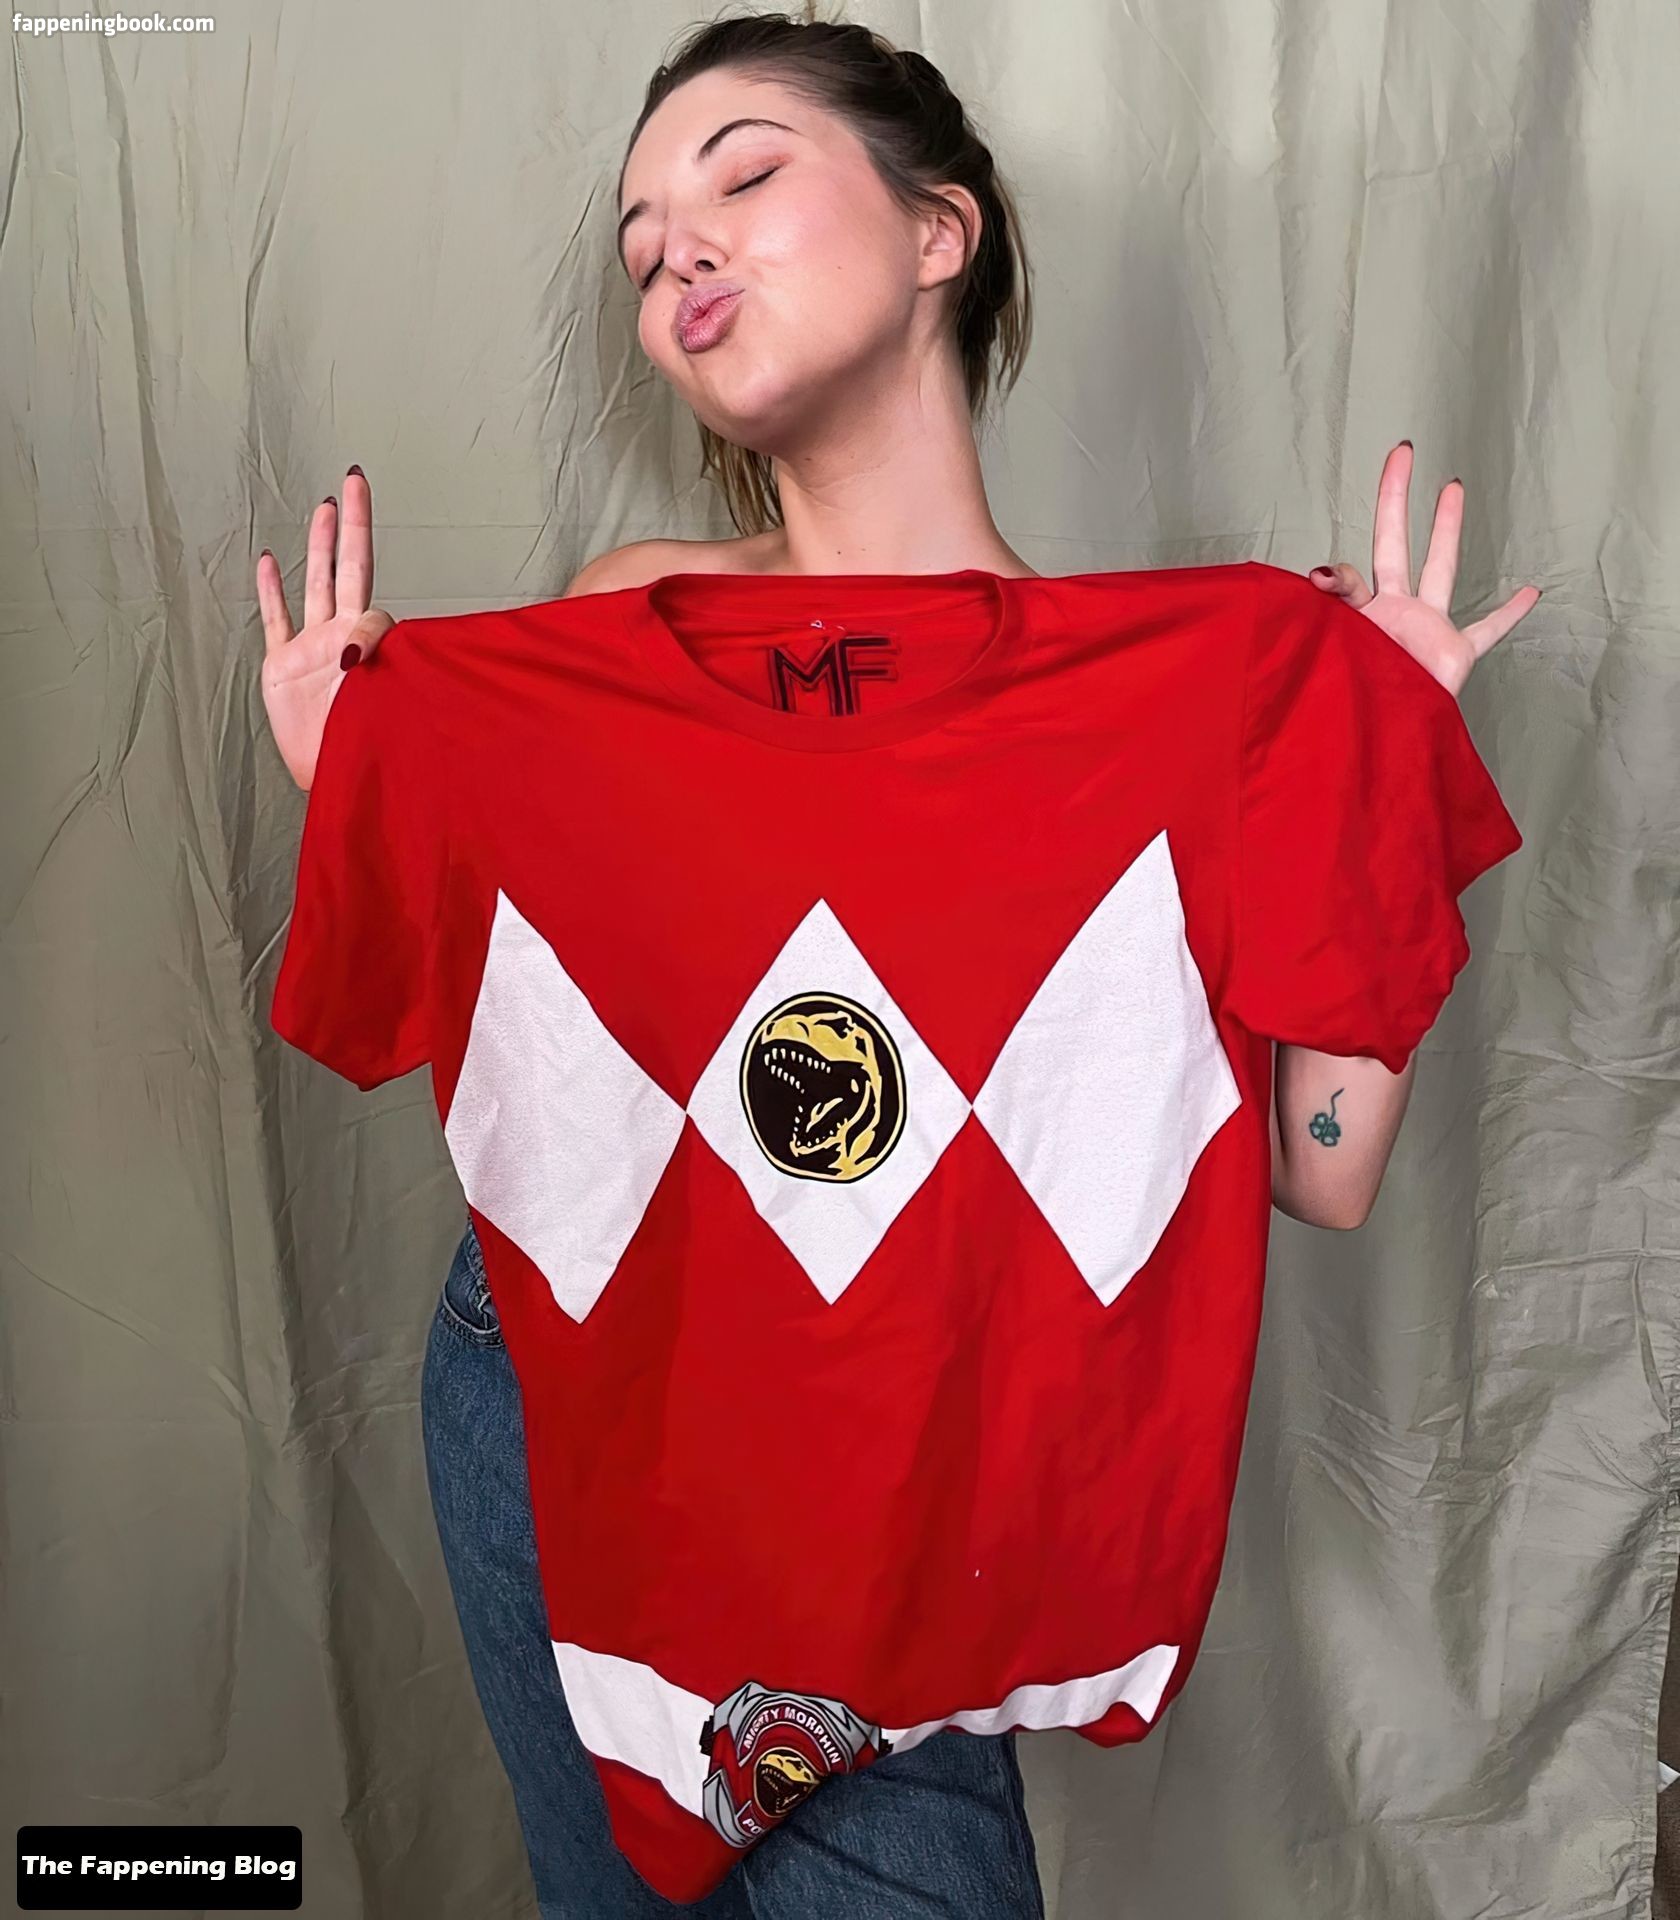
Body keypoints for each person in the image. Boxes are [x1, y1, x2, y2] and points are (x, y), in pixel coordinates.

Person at [254, 14, 1538, 1916]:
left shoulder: (1181, 699)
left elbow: (1318, 1169)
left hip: (926, 1417)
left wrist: (1384, 779)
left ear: (943, 229)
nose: (679, 255)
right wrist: (361, 782)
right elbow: (557, 1037)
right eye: (642, 249)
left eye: (745, 177)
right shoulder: (613, 627)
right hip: (587, 1379)